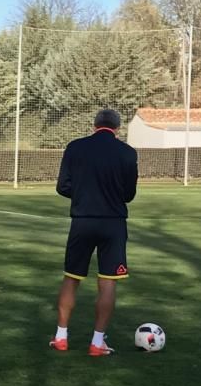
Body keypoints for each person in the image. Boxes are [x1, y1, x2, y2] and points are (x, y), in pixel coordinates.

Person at [50, 108, 138, 356]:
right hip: (113, 224)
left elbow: (62, 187)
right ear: (117, 128)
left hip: (82, 221)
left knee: (72, 277)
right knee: (107, 282)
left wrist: (82, 194)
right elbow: (129, 195)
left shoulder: (75, 147)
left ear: (94, 125)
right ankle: (97, 343)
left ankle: (61, 337)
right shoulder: (127, 153)